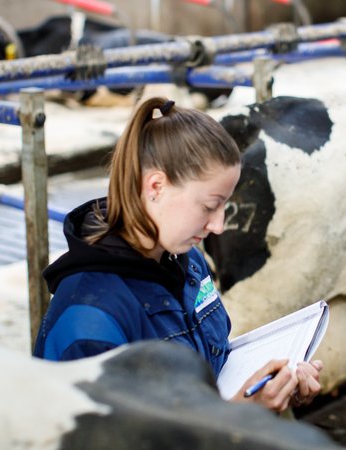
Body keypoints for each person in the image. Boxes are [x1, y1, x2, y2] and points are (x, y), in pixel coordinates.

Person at [33, 97, 322, 412]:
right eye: (209, 206)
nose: (218, 225)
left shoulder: (187, 260)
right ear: (156, 187)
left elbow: (214, 364)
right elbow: (107, 434)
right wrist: (240, 416)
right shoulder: (88, 322)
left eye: (225, 205)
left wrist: (271, 384)